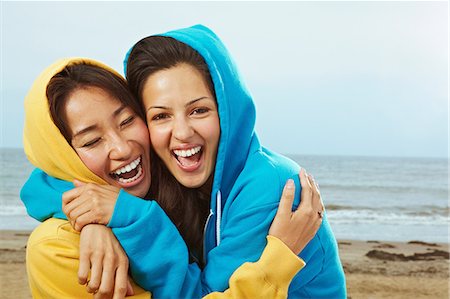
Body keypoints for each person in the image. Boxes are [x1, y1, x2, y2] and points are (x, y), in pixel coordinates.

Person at [23, 25, 346, 297]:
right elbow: (43, 183)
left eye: (199, 110)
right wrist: (89, 218)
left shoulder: (270, 187)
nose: (181, 132)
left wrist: (129, 214)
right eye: (161, 115)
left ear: (227, 110)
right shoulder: (169, 173)